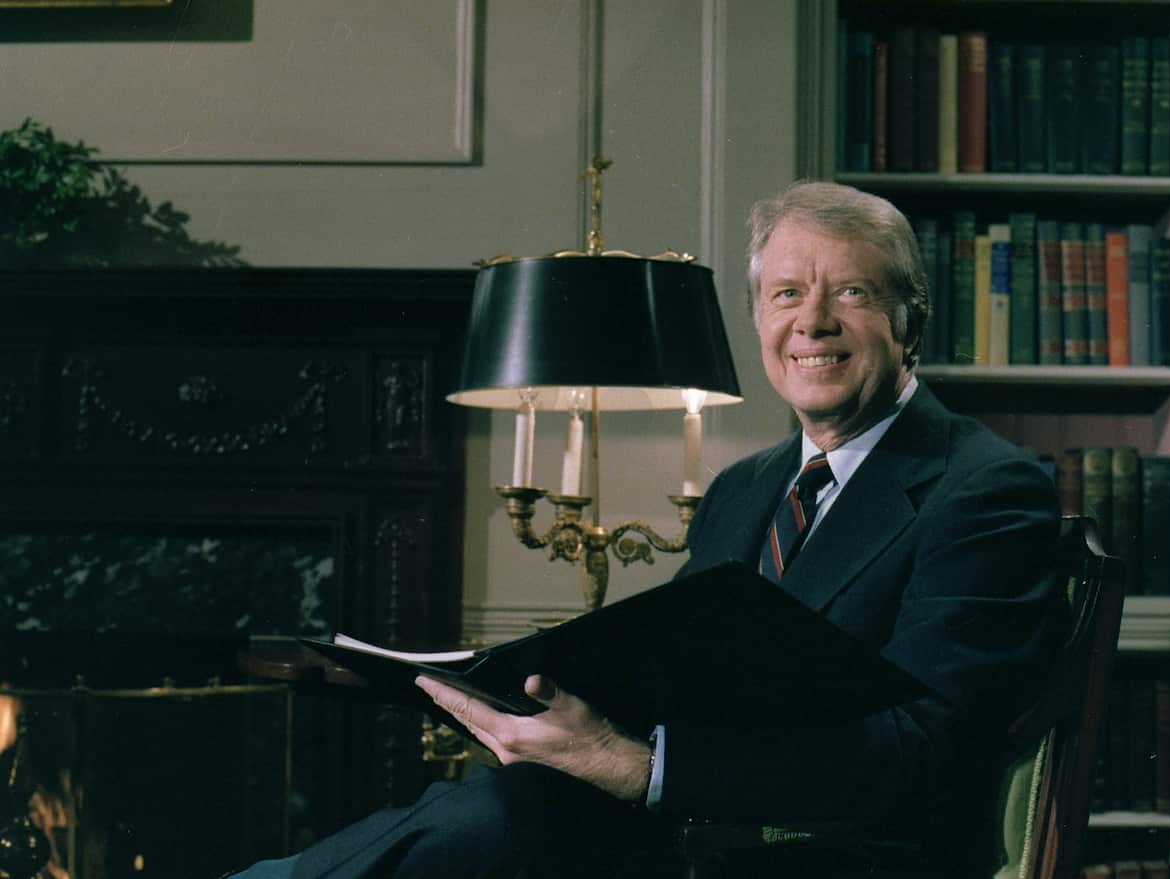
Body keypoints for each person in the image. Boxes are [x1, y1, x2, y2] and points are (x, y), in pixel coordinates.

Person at [228, 181, 1065, 879]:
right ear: (760, 320)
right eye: (786, 293)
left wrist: (636, 765)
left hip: (833, 857)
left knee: (495, 823)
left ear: (909, 322)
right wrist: (526, 706)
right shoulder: (747, 487)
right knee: (497, 808)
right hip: (700, 832)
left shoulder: (985, 488)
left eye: (851, 291)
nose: (812, 322)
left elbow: (926, 756)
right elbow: (668, 673)